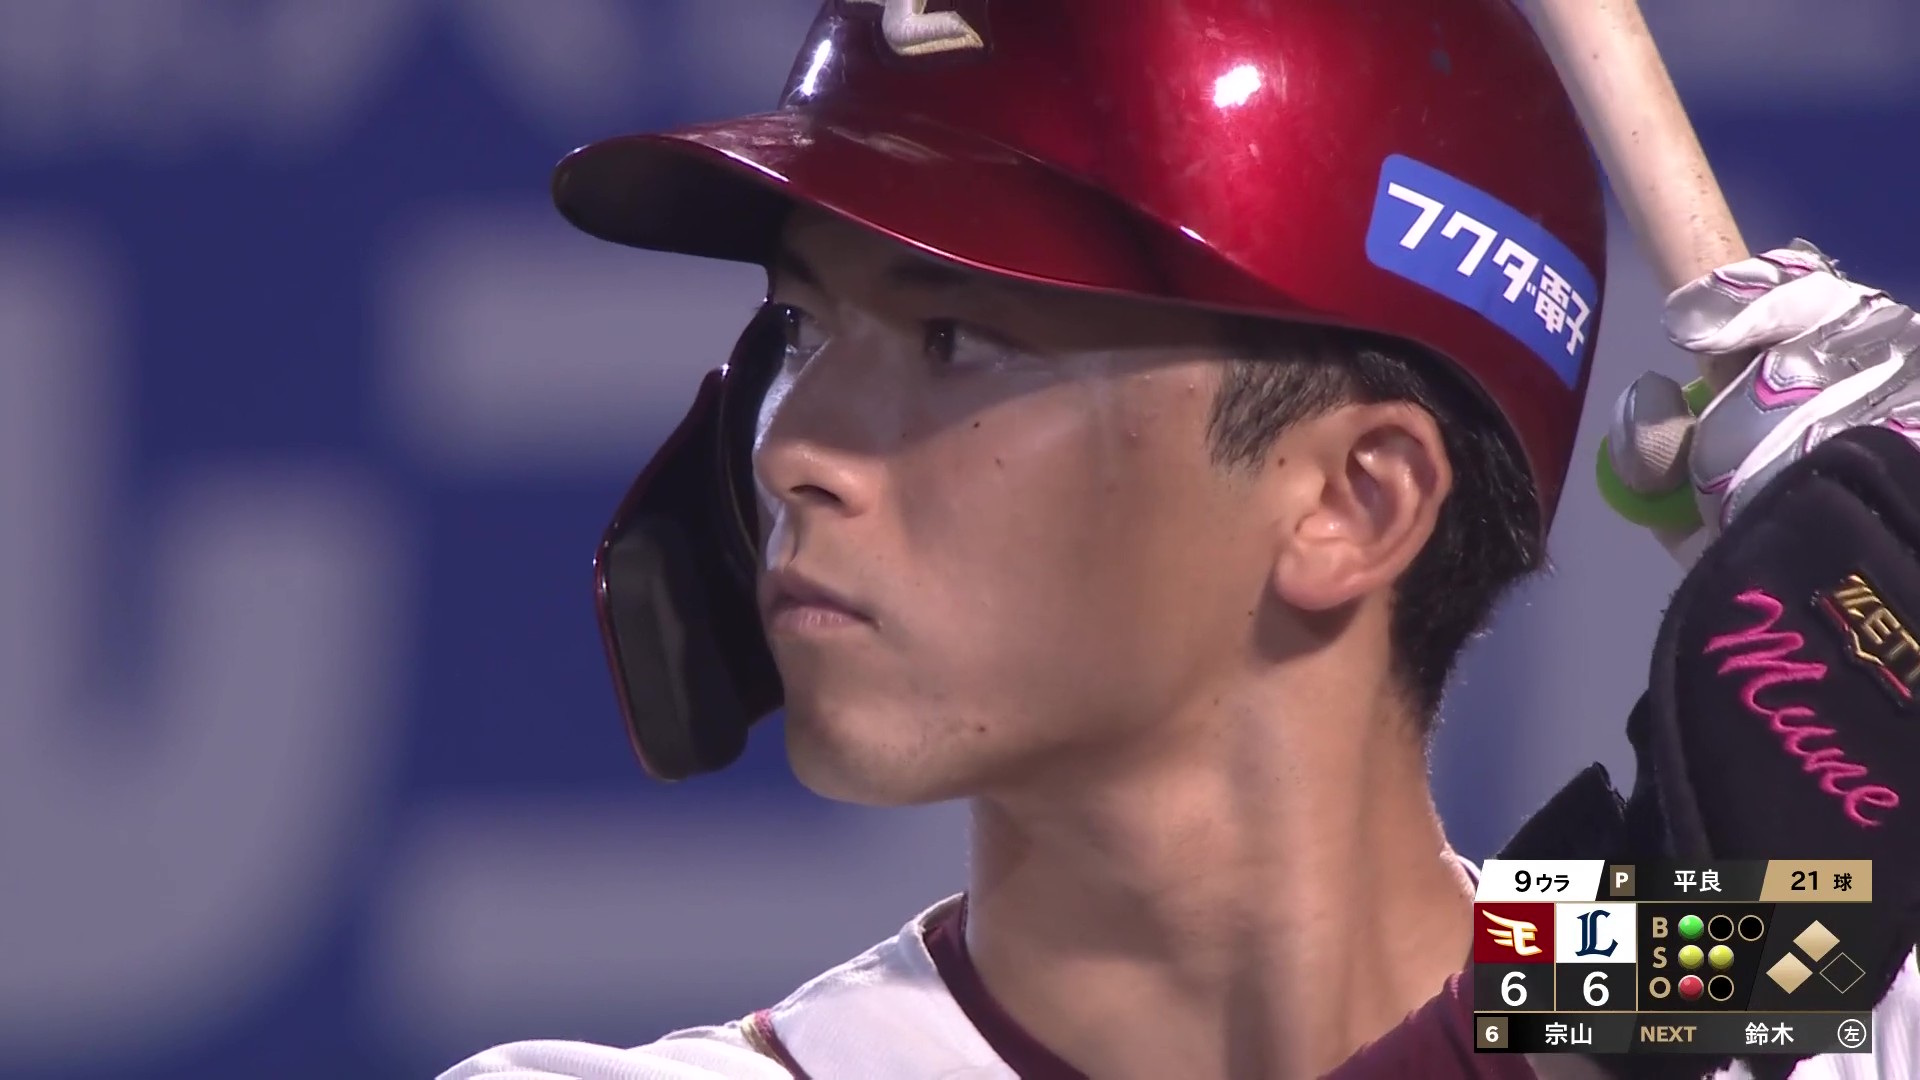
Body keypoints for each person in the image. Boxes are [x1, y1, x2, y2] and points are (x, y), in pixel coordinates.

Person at [440, 1, 1919, 1076]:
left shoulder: (1741, 1006)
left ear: (1354, 502)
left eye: (954, 338)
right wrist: (1594, 1022)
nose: (794, 450)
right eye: (804, 326)